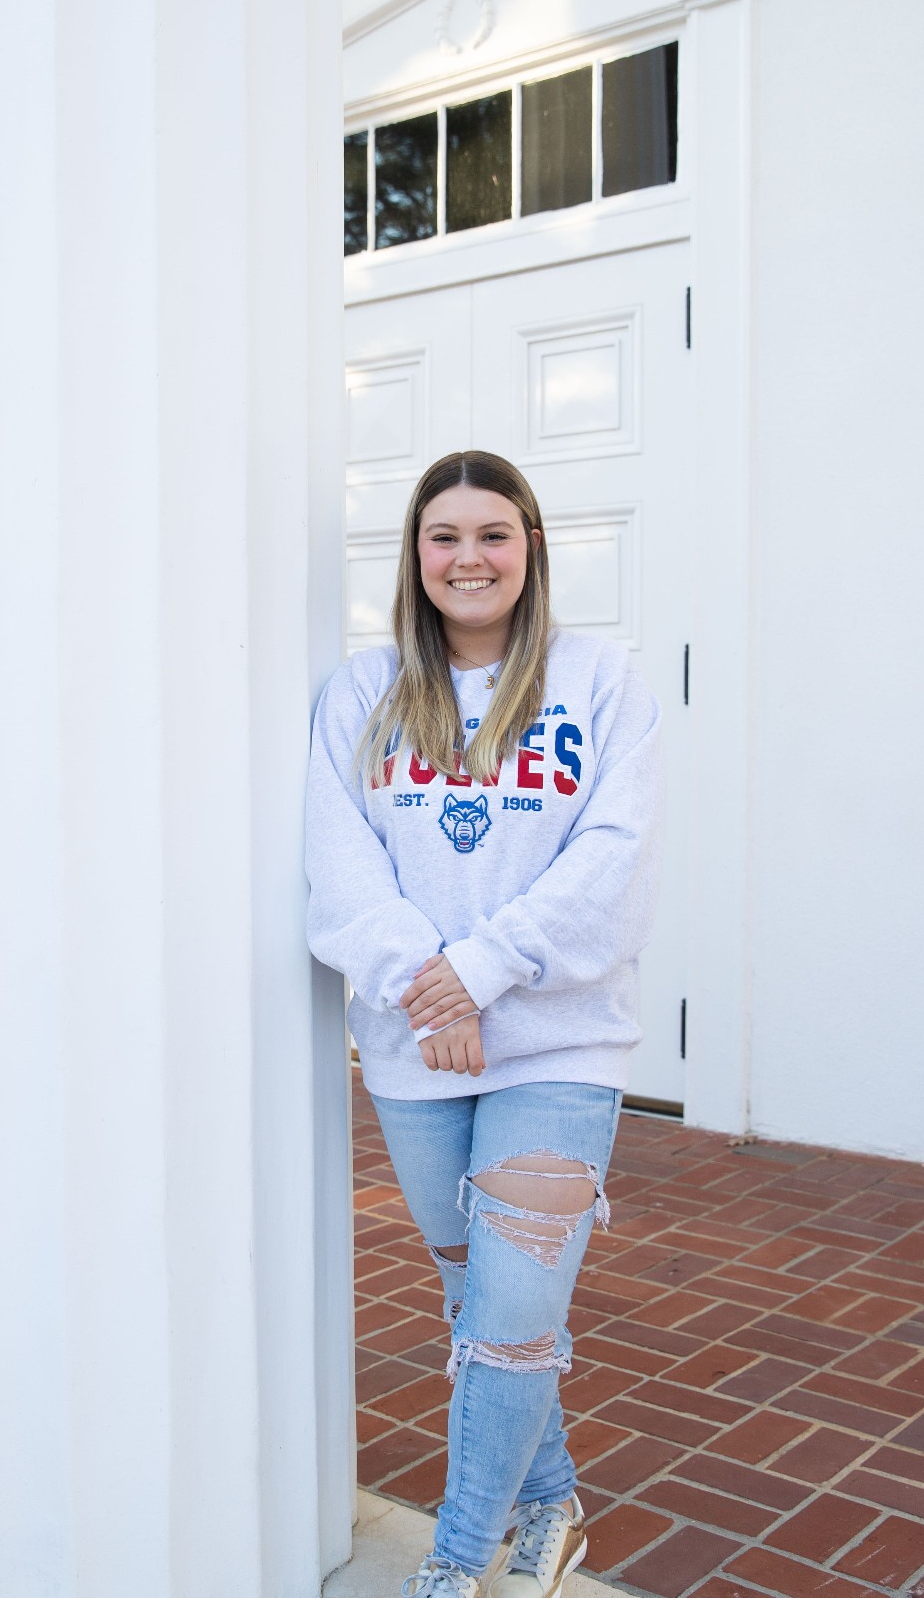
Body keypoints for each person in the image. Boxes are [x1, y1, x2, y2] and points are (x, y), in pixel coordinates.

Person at [306, 451, 664, 1598]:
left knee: (513, 1313)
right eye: (445, 535)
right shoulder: (362, 693)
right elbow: (337, 865)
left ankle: (457, 1562)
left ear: (532, 549)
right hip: (419, 1046)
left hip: (557, 1040)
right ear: (415, 556)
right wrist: (428, 982)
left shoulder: (601, 681)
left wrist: (476, 971)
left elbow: (613, 860)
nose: (470, 557)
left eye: (494, 534)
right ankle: (552, 1502)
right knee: (485, 1303)